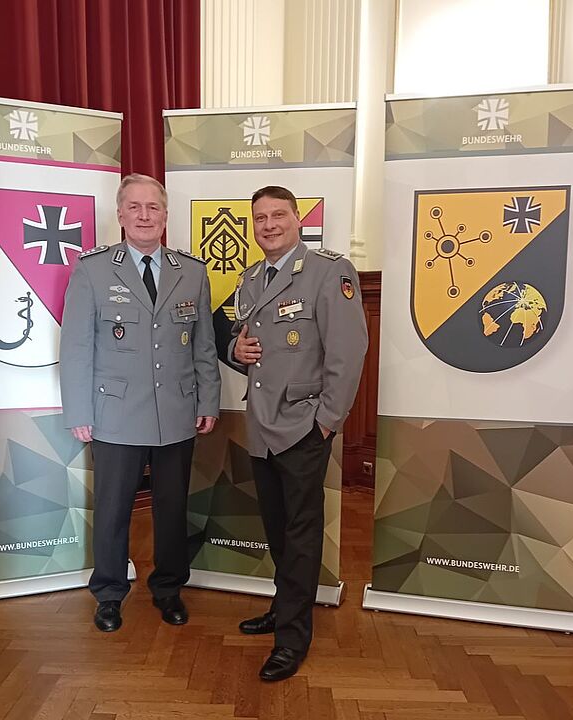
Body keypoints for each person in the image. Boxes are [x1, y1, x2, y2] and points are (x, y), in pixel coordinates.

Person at [59, 173, 220, 632]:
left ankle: (168, 588)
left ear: (166, 215)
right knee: (113, 510)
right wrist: (79, 411)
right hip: (115, 413)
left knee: (171, 509)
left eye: (153, 207)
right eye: (135, 207)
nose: (144, 215)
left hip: (176, 411)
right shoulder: (92, 270)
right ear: (120, 215)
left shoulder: (192, 272)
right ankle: (109, 594)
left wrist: (208, 400)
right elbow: (76, 347)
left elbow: (203, 345)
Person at [228, 185, 367, 680]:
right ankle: (283, 606)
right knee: (276, 527)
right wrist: (235, 351)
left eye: (278, 215)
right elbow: (246, 341)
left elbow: (348, 352)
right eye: (260, 218)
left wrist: (327, 422)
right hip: (262, 425)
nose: (269, 225)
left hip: (304, 425)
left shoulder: (330, 271)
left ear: (297, 219)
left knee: (301, 533)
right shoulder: (251, 277)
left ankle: (292, 638)